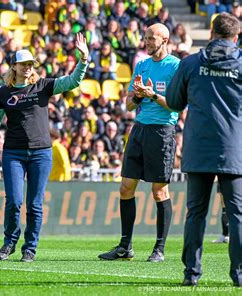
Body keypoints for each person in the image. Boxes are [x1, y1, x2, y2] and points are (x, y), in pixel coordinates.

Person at [0, 33, 89, 262]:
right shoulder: (4, 93)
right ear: (14, 66)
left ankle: (30, 248)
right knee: (14, 201)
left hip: (41, 152)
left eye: (30, 64)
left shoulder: (43, 85)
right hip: (13, 153)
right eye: (23, 64)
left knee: (35, 204)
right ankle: (9, 243)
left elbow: (72, 81)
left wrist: (83, 61)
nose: (28, 68)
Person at [166, 13, 241, 287]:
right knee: (237, 214)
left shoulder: (191, 63)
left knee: (195, 214)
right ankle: (239, 275)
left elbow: (174, 102)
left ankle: (191, 274)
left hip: (198, 148)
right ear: (235, 37)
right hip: (233, 149)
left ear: (211, 33)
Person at [98, 23, 180, 263]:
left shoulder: (176, 66)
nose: (147, 42)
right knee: (125, 187)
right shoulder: (142, 64)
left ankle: (159, 249)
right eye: (145, 38)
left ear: (164, 39)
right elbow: (129, 105)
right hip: (140, 129)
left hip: (163, 131)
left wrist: (152, 94)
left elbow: (176, 104)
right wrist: (138, 95)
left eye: (151, 38)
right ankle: (125, 247)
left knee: (159, 191)